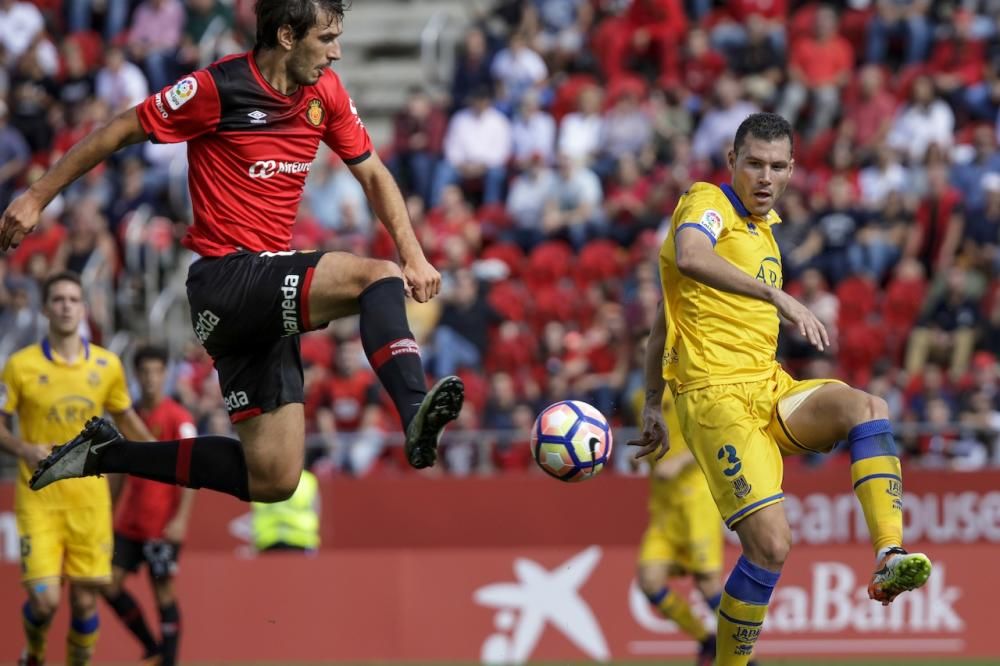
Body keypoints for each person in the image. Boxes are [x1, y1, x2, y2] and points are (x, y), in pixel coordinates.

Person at [3, 0, 465, 505]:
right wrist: (36, 196)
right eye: (326, 39)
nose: (336, 53)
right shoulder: (215, 87)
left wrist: (414, 252)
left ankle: (106, 454)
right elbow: (120, 129)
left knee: (275, 479)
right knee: (377, 276)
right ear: (287, 36)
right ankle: (416, 409)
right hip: (226, 279)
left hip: (258, 297)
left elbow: (374, 173)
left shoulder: (324, 94)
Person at [630, 112, 932, 665]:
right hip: (716, 400)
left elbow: (661, 318)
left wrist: (650, 402)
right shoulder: (705, 203)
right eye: (753, 164)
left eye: (776, 166)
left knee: (868, 407)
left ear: (793, 169)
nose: (764, 177)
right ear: (732, 163)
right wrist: (779, 299)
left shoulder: (764, 232)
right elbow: (692, 257)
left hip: (769, 386)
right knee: (771, 546)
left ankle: (889, 553)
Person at [0, 271, 157, 666]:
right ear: (45, 309)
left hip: (89, 500)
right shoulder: (20, 366)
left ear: (84, 308)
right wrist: (21, 446)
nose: (66, 306)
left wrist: (161, 455)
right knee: (46, 600)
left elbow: (127, 417)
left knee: (86, 604)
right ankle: (34, 654)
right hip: (39, 497)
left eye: (73, 299)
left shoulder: (107, 365)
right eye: (58, 300)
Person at [633, 320, 725, 666]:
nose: (648, 358)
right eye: (643, 353)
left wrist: (680, 462)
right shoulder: (641, 397)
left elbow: (710, 437)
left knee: (708, 584)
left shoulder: (690, 386)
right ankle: (706, 639)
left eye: (652, 350)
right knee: (649, 580)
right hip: (664, 505)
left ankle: (750, 657)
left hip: (696, 496)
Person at [102, 345, 197, 666]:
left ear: (166, 374)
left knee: (163, 594)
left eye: (157, 371)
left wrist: (181, 519)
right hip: (129, 523)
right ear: (136, 376)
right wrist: (107, 515)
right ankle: (151, 647)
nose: (150, 379)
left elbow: (191, 475)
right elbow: (118, 475)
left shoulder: (178, 419)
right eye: (144, 372)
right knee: (106, 582)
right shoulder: (129, 420)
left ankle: (169, 661)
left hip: (161, 525)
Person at [252, 467, 320, 554]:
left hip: (269, 542)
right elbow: (316, 511)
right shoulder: (308, 480)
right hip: (299, 541)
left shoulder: (261, 479)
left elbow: (255, 513)